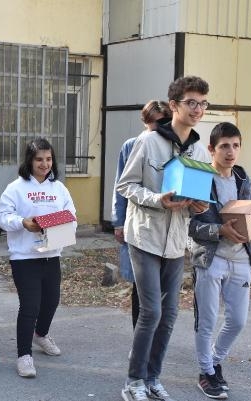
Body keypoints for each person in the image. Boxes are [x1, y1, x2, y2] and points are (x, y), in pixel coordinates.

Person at [117, 76, 212, 401]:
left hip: (175, 242)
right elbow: (126, 185)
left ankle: (152, 378)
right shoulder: (148, 142)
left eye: (203, 103)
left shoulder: (199, 150)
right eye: (191, 102)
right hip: (145, 236)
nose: (198, 109)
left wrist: (199, 205)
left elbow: (198, 198)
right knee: (151, 312)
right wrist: (158, 200)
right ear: (174, 105)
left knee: (169, 315)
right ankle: (133, 381)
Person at [0, 138, 77, 378]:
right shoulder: (16, 188)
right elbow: (2, 216)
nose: (44, 164)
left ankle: (41, 335)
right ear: (29, 161)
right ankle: (24, 356)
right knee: (30, 306)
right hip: (24, 258)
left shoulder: (59, 188)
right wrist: (22, 222)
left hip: (51, 255)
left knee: (51, 301)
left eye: (49, 159)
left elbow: (71, 215)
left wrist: (58, 225)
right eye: (39, 159)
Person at [189, 122, 251, 399]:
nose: (231, 152)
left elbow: (250, 215)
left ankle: (214, 362)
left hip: (241, 258)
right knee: (207, 320)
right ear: (211, 149)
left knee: (238, 320)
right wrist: (219, 230)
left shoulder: (243, 178)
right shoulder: (199, 178)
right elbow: (189, 226)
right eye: (224, 146)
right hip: (210, 258)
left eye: (235, 146)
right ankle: (206, 372)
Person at [111, 100, 172, 330]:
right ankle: (140, 335)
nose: (161, 127)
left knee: (163, 289)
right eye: (157, 122)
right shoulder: (132, 145)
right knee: (140, 286)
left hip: (165, 225)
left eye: (165, 121)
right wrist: (118, 222)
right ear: (146, 121)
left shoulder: (173, 144)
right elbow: (121, 186)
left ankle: (155, 337)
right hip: (138, 223)